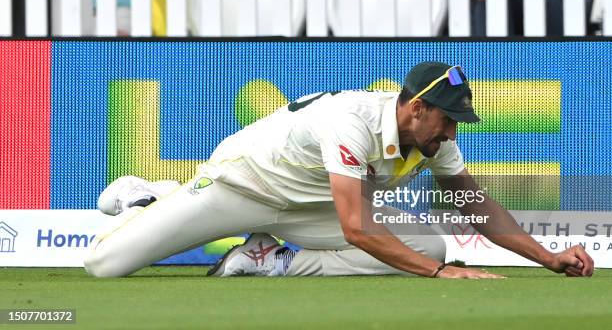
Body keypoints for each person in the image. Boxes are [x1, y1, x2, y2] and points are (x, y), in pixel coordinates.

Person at [83, 62, 594, 279]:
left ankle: (269, 261)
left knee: (429, 244)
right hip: (244, 185)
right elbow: (356, 227)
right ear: (416, 107)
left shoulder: (433, 140)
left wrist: (546, 257)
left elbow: (473, 204)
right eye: (448, 119)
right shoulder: (352, 120)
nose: (452, 133)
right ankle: (151, 197)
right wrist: (442, 276)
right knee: (104, 265)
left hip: (313, 206)